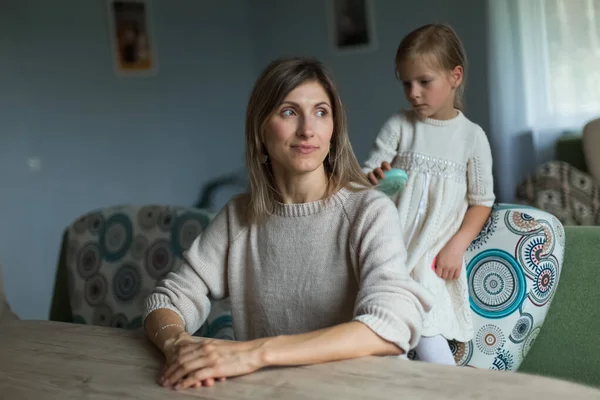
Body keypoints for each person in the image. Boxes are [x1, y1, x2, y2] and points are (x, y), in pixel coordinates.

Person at [143, 57, 433, 390]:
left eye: (321, 113)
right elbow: (167, 299)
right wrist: (176, 345)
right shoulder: (238, 217)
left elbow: (391, 326)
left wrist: (255, 353)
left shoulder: (369, 211)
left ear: (334, 130)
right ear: (260, 130)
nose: (308, 129)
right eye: (289, 112)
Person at [363, 24, 495, 365]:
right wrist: (373, 177)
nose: (413, 93)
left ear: (455, 76)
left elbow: (482, 201)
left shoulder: (471, 137)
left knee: (425, 326)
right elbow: (367, 178)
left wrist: (457, 245)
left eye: (424, 82)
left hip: (432, 254)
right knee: (383, 322)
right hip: (390, 246)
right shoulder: (399, 126)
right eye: (406, 83)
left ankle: (451, 388)